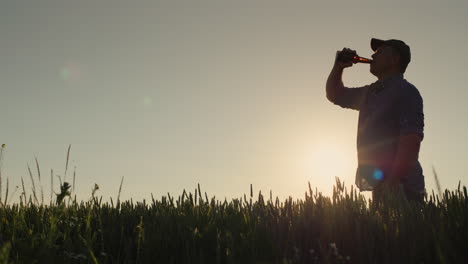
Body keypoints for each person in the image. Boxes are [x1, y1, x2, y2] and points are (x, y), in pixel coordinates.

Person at [326, 38, 426, 203]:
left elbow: (411, 141)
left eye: (380, 52)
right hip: (380, 185)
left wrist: (393, 182)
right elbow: (335, 95)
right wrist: (338, 67)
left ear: (394, 60)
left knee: (406, 228)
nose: (373, 56)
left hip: (403, 187)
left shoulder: (406, 91)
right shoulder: (371, 93)